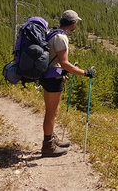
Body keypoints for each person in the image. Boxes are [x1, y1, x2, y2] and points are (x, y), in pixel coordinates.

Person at [40, 9, 96, 157]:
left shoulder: (53, 33)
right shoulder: (61, 38)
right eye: (76, 22)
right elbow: (64, 63)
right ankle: (48, 146)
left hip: (48, 76)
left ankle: (51, 138)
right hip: (53, 79)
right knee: (51, 113)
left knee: (52, 111)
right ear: (73, 23)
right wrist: (85, 72)